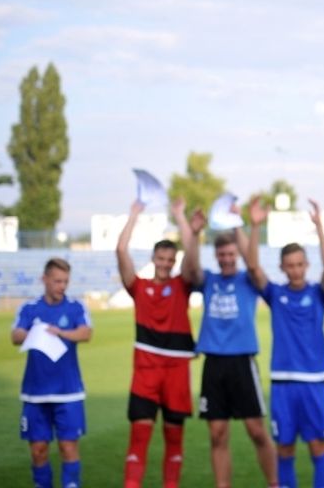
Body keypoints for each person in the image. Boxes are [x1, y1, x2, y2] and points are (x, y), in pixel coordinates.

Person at [244, 197, 324, 488]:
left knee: (318, 448)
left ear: (306, 265)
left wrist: (320, 227)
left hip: (314, 381)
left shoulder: (318, 293)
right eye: (290, 265)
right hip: (283, 382)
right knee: (285, 449)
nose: (296, 270)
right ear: (282, 267)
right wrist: (255, 226)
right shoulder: (275, 294)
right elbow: (253, 268)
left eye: (300, 264)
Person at [180, 203, 278, 488]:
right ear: (216, 256)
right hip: (214, 363)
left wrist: (248, 226)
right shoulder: (209, 280)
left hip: (242, 362)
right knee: (217, 434)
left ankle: (275, 483)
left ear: (237, 254)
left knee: (256, 431)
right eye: (222, 255)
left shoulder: (249, 280)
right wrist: (194, 234)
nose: (226, 259)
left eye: (231, 254)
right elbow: (191, 268)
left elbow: (254, 264)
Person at [118, 199, 199, 488]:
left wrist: (181, 217)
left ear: (174, 262)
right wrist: (133, 215)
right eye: (160, 258)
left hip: (176, 371)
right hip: (146, 371)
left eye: (169, 260)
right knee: (139, 437)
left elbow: (193, 258)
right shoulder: (139, 287)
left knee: (174, 438)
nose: (165, 264)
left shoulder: (182, 285)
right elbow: (121, 251)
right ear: (153, 258)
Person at [12, 258, 92, 488]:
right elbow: (16, 335)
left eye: (65, 281)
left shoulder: (76, 307)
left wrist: (60, 332)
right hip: (35, 393)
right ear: (44, 279)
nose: (62, 286)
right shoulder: (30, 308)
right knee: (38, 450)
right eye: (57, 281)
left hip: (68, 392)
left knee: (68, 447)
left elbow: (85, 333)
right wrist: (36, 332)